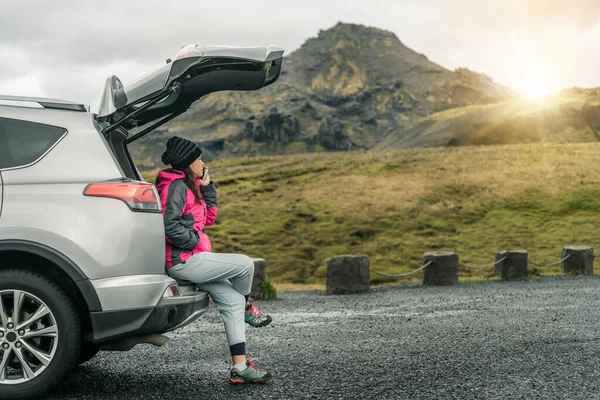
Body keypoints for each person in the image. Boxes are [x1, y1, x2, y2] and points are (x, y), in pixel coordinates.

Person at [155, 136, 272, 384]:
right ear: (188, 163)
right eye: (198, 158)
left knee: (230, 301)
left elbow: (209, 219)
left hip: (194, 257)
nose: (202, 161)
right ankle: (246, 306)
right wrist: (194, 240)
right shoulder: (176, 187)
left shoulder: (189, 186)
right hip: (184, 260)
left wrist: (207, 187)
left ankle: (239, 368)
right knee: (244, 264)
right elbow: (168, 225)